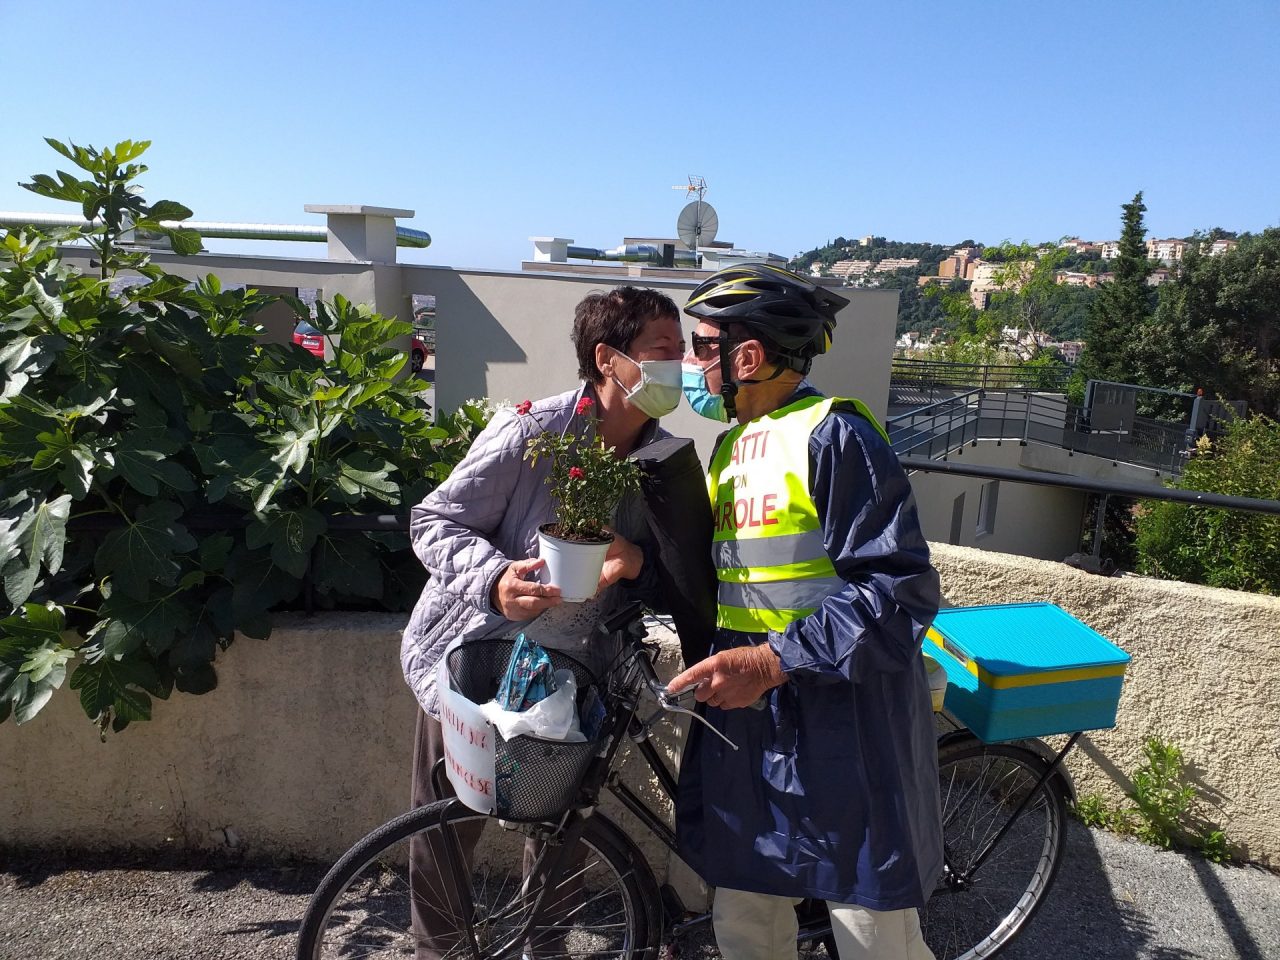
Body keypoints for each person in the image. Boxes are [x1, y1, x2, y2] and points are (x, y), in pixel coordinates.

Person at [668, 264, 943, 960]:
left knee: (870, 925)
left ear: (748, 357)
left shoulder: (835, 435)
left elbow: (897, 589)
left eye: (704, 347)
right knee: (747, 911)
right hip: (753, 714)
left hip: (839, 710)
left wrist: (771, 660)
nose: (693, 364)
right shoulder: (729, 448)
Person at [401, 285, 684, 958]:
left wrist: (639, 559)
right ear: (607, 359)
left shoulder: (662, 460)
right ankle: (439, 952)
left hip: (575, 675)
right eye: (663, 351)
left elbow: (670, 579)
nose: (680, 367)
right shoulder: (533, 431)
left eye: (682, 351)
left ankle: (546, 949)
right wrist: (494, 580)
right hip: (476, 661)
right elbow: (432, 521)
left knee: (563, 830)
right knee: (445, 827)